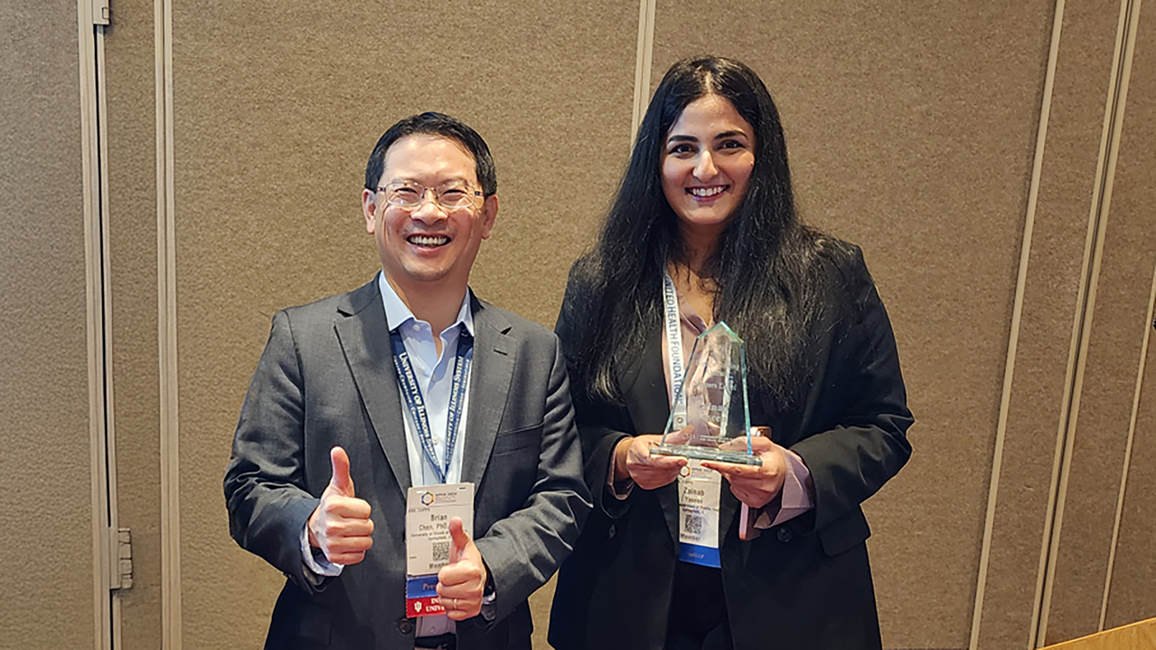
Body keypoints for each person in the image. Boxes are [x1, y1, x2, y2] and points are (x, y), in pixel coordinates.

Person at [547, 57, 913, 650]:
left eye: (729, 145)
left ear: (761, 155)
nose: (705, 168)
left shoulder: (828, 274)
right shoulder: (602, 281)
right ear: (656, 162)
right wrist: (619, 458)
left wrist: (793, 474)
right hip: (631, 597)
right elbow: (558, 430)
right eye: (683, 148)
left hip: (792, 596)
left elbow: (884, 426)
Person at [224, 112, 591, 650]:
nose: (428, 212)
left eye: (451, 193)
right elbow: (249, 486)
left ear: (487, 215)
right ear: (372, 210)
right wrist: (311, 527)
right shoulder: (303, 339)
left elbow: (561, 494)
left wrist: (493, 566)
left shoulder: (534, 352)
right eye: (407, 192)